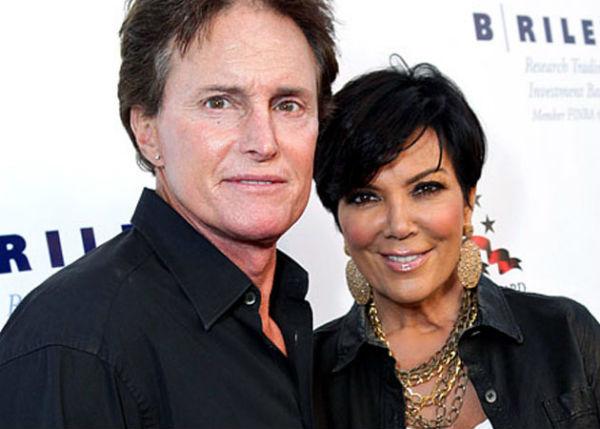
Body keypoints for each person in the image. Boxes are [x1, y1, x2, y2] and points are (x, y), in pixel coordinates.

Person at [0, 0, 337, 427]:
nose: (263, 142)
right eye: (219, 103)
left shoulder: (291, 315)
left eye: (287, 105)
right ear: (147, 132)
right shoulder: (77, 347)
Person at [312, 63, 600, 429]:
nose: (399, 225)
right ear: (340, 220)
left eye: (426, 189)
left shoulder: (564, 336)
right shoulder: (309, 377)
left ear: (467, 203)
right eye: (365, 197)